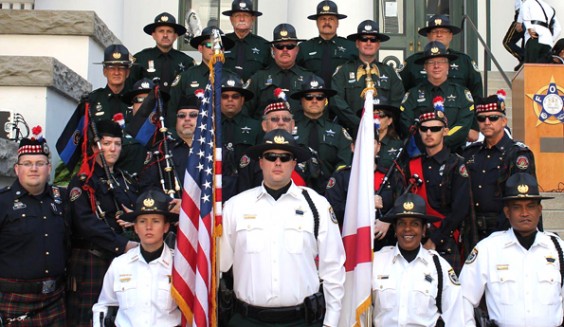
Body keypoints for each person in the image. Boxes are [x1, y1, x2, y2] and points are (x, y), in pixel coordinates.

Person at [220, 129, 345, 326]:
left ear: (294, 163)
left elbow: (333, 269)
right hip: (247, 319)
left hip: (300, 321)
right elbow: (219, 266)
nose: (278, 163)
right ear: (261, 162)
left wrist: (331, 323)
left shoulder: (317, 205)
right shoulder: (236, 206)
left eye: (285, 157)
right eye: (271, 156)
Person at [459, 173, 563, 327]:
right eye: (517, 207)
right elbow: (463, 297)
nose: (525, 213)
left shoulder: (558, 248)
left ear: (539, 210)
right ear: (507, 212)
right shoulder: (488, 249)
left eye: (530, 206)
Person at [66, 119, 139, 327]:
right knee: (90, 320)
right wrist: (123, 244)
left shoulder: (124, 180)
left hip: (122, 262)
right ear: (94, 147)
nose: (112, 149)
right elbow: (85, 223)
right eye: (106, 143)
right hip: (92, 261)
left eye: (117, 143)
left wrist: (134, 219)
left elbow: (134, 213)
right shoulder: (82, 182)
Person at [0, 127, 68, 326]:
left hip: (55, 298)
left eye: (40, 163)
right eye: (27, 163)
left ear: (49, 168)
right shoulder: (2, 202)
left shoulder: (63, 200)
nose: (33, 168)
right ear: (16, 168)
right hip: (13, 300)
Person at [372, 193, 464, 326]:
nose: (407, 229)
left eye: (414, 224)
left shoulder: (439, 267)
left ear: (424, 230)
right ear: (395, 229)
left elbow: (456, 318)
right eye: (402, 223)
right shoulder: (376, 263)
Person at [92, 189, 181, 327]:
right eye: (142, 221)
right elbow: (105, 306)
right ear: (136, 228)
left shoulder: (179, 265)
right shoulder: (120, 265)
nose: (149, 227)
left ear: (166, 227)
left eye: (156, 221)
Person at [463, 90, 535, 243]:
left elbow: (524, 199)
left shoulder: (517, 154)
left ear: (504, 121)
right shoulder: (470, 154)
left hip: (506, 230)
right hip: (474, 231)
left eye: (493, 117)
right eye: (482, 118)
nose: (487, 122)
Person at [406, 102, 471, 272]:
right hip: (414, 238)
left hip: (445, 241)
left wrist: (435, 240)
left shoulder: (457, 164)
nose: (429, 133)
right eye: (424, 129)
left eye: (435, 129)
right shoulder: (412, 165)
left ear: (445, 131)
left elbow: (459, 209)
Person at [331, 20, 404, 137]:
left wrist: (382, 124)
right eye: (364, 39)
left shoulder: (390, 73)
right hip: (352, 134)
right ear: (357, 43)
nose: (368, 43)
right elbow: (336, 101)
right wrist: (358, 123)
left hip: (383, 135)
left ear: (378, 44)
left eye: (373, 39)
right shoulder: (343, 71)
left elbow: (397, 102)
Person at [400, 41, 475, 152]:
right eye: (431, 62)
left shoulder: (462, 94)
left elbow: (463, 125)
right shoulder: (413, 95)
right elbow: (407, 123)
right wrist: (426, 141)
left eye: (441, 62)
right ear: (425, 67)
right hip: (420, 154)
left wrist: (439, 142)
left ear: (448, 65)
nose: (436, 66)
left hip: (453, 155)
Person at [243, 23, 319, 120]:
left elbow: (319, 111)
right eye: (279, 46)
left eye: (290, 46)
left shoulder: (309, 78)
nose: (285, 50)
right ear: (273, 50)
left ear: (297, 49)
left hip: (300, 133)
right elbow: (245, 111)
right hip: (266, 133)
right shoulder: (259, 78)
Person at [291, 75, 352, 194]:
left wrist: (332, 185)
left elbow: (344, 165)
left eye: (320, 97)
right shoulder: (290, 128)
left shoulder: (339, 132)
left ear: (325, 101)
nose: (314, 101)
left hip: (329, 192)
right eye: (309, 97)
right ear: (301, 100)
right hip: (294, 190)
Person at [399, 14, 483, 100]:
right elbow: (400, 93)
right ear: (428, 35)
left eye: (443, 31)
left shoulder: (465, 62)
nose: (439, 35)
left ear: (451, 35)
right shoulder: (412, 62)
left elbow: (476, 95)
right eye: (435, 31)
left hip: (457, 110)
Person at [167, 26, 234, 128]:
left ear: (223, 50)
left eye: (218, 45)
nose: (214, 49)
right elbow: (172, 110)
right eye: (209, 44)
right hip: (194, 136)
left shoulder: (232, 78)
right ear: (200, 48)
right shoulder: (186, 77)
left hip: (224, 134)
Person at [139, 94, 200, 204]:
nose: (187, 119)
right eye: (181, 116)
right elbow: (147, 187)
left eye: (193, 115)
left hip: (208, 216)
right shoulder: (162, 150)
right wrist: (168, 204)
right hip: (170, 216)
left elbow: (228, 185)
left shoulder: (216, 151)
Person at [219, 70, 261, 202]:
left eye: (235, 96)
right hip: (215, 187)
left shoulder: (256, 126)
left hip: (248, 187)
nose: (230, 100)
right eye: (225, 96)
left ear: (242, 100)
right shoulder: (209, 126)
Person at [129, 12, 195, 91]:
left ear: (175, 36)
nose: (165, 35)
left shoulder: (186, 61)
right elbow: (130, 89)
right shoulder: (140, 59)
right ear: (153, 35)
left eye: (169, 31)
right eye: (161, 31)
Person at [297, 0, 357, 87]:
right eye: (323, 19)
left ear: (337, 23)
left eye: (331, 19)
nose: (327, 22)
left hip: (341, 97)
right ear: (317, 23)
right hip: (314, 98)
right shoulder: (305, 48)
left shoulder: (350, 47)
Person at [222, 0, 272, 81]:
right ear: (231, 19)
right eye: (237, 15)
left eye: (246, 15)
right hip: (225, 91)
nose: (242, 19)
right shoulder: (222, 42)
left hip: (254, 92)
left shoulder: (264, 45)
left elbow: (270, 74)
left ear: (253, 19)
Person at [503, 0, 526, 70]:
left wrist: (519, 21)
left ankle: (524, 58)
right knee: (525, 43)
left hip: (521, 17)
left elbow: (523, 4)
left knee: (507, 42)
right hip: (526, 17)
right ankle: (524, 60)